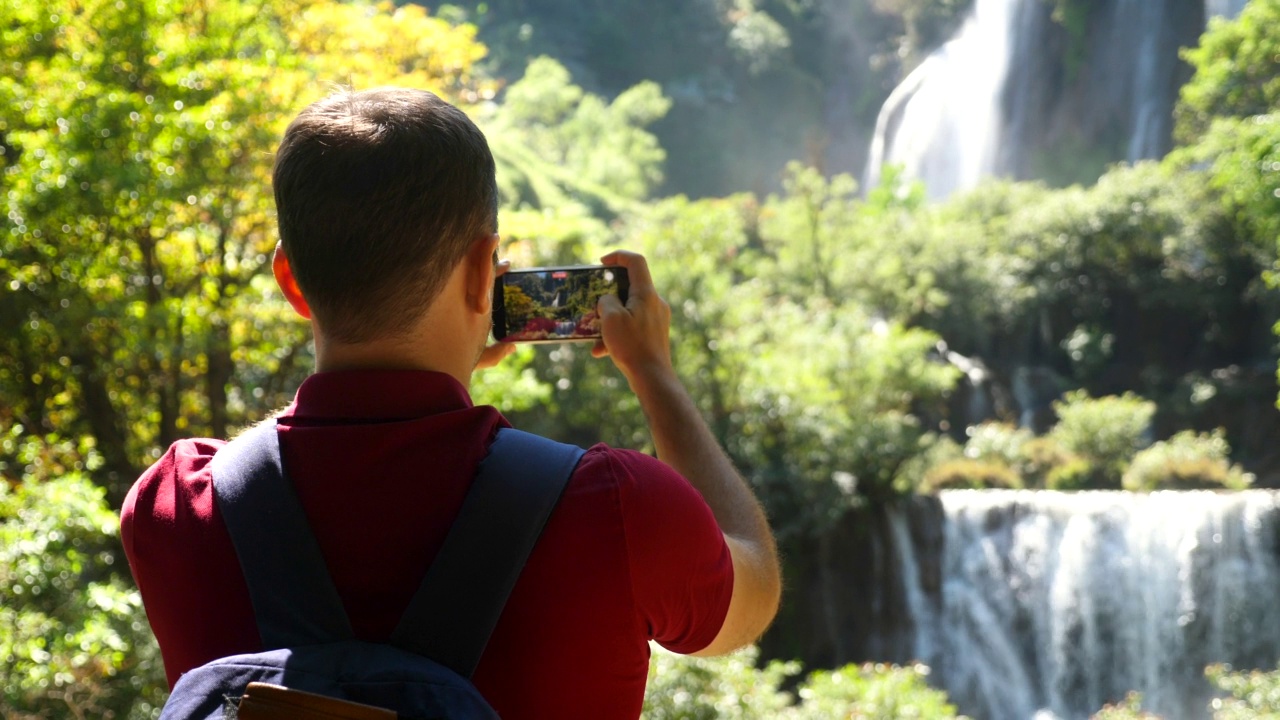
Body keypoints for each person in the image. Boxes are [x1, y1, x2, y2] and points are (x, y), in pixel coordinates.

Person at [120, 87, 781, 719]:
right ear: (483, 270)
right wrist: (654, 372)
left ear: (290, 280)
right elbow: (751, 597)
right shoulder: (616, 506)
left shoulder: (174, 507)